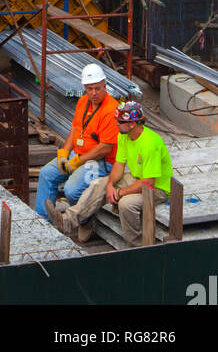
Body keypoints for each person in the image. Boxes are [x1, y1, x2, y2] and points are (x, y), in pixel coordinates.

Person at [51, 99, 173, 246]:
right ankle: (67, 221)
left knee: (126, 204)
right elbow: (119, 165)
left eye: (120, 121)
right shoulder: (123, 135)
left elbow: (149, 182)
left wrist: (121, 192)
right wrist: (110, 185)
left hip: (157, 189)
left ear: (132, 123)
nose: (116, 124)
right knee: (100, 183)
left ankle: (135, 246)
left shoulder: (150, 144)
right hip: (138, 179)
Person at [35, 63, 118, 220]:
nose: (93, 93)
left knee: (72, 190)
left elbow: (104, 148)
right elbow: (75, 129)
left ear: (105, 86)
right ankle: (43, 221)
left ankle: (83, 221)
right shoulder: (83, 102)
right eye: (89, 88)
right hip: (78, 154)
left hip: (101, 161)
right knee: (47, 174)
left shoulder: (111, 110)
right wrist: (64, 153)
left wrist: (77, 162)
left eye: (97, 88)